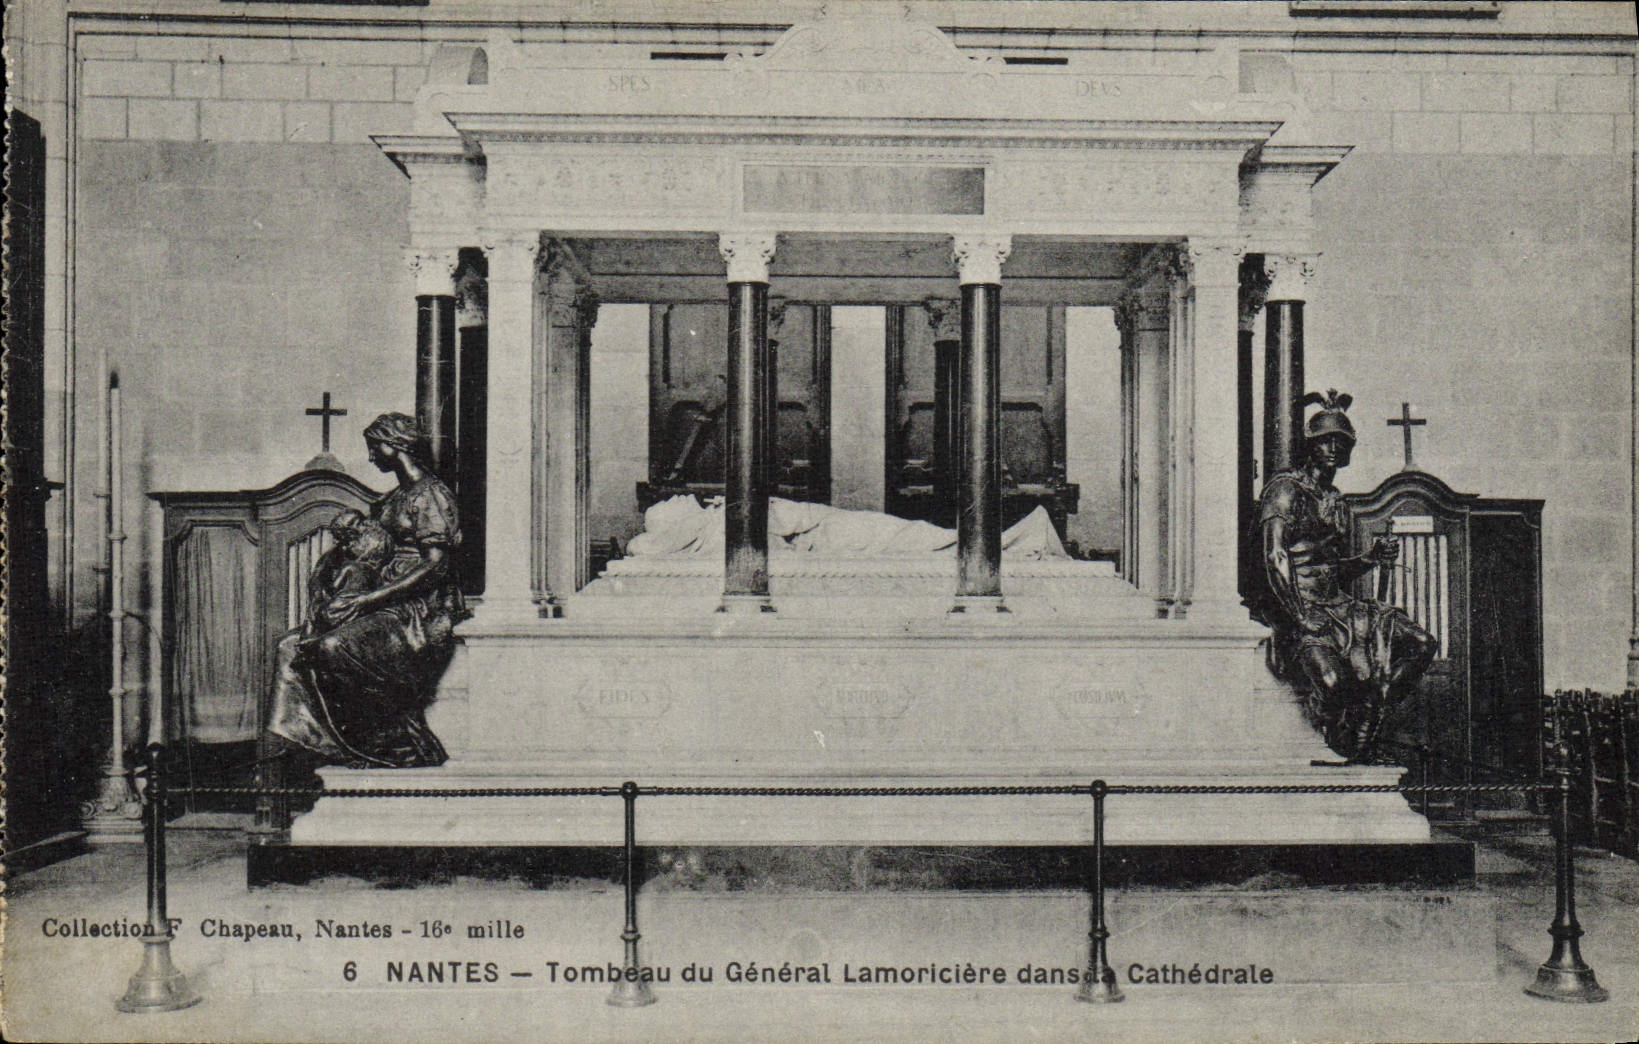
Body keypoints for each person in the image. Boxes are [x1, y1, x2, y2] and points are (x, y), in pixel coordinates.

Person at [268, 413, 468, 768]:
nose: (372, 455)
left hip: (417, 607)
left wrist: (366, 599)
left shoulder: (430, 495)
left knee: (333, 646)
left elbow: (435, 565)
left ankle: (396, 739)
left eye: (375, 447)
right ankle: (318, 741)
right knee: (290, 646)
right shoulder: (393, 498)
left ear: (395, 446)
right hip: (380, 597)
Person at [1252, 390, 1437, 762]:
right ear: (1310, 445)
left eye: (1342, 441)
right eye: (1326, 441)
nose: (1334, 448)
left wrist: (1370, 558)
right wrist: (1301, 615)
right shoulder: (1285, 490)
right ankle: (1353, 739)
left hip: (1340, 605)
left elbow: (1332, 567)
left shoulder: (1334, 498)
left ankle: (1372, 709)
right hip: (1301, 609)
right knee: (1335, 685)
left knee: (1421, 644)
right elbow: (1274, 557)